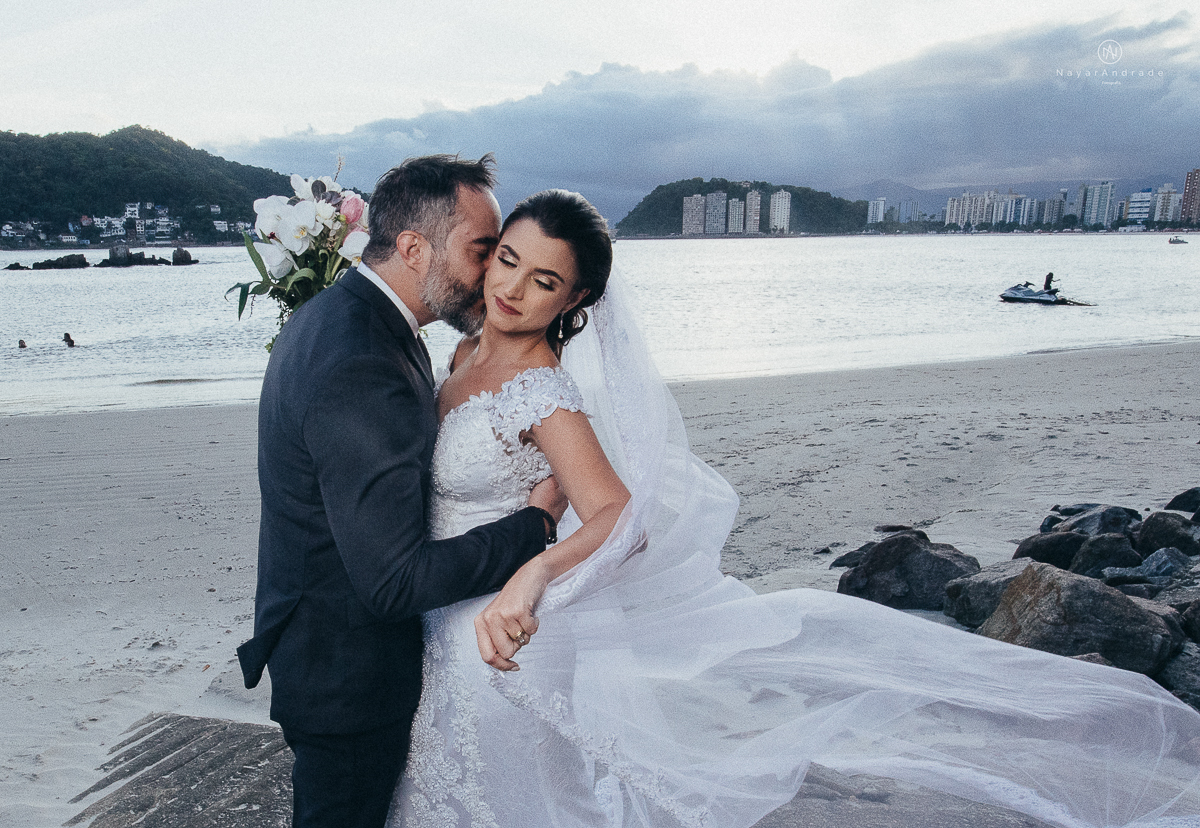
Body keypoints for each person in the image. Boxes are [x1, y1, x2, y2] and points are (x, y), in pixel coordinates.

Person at [389, 189, 1200, 828]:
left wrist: (535, 577)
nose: (512, 288)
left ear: (576, 298)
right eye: (507, 260)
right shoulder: (464, 348)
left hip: (498, 635)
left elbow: (620, 520)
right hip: (436, 608)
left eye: (543, 281)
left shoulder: (544, 391)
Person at [237, 155, 565, 828]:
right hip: (348, 677)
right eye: (482, 250)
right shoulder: (362, 358)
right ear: (414, 249)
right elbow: (393, 581)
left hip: (328, 648)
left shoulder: (356, 318)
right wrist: (534, 525)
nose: (494, 273)